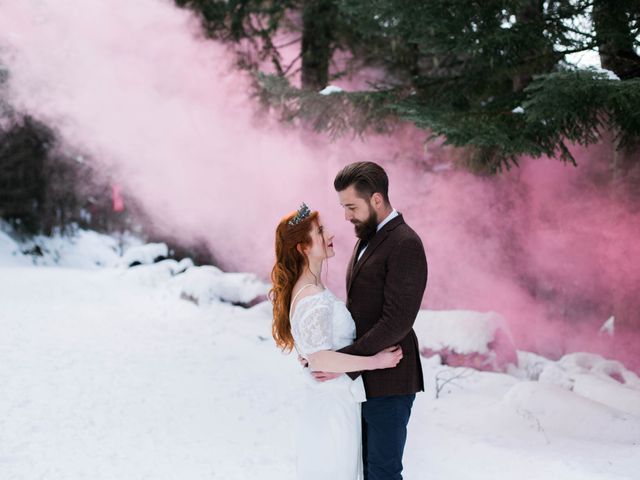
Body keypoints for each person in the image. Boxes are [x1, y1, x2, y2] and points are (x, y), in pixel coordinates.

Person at [270, 203, 404, 480]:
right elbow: (320, 358)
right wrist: (376, 362)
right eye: (319, 231)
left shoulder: (311, 288)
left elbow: (316, 350)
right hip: (332, 407)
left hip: (334, 401)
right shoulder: (312, 297)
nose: (329, 233)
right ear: (302, 248)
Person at [313, 161, 428, 480]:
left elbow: (397, 321)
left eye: (351, 206)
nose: (346, 216)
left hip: (391, 375)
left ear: (376, 199)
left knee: (382, 471)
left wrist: (342, 362)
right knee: (362, 467)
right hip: (365, 373)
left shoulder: (405, 243)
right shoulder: (369, 238)